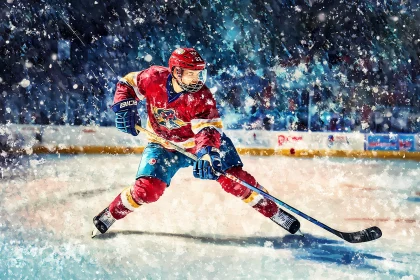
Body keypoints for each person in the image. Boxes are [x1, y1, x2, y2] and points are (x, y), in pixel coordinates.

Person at [92, 48, 300, 237]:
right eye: (190, 74)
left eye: (199, 74)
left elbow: (207, 129)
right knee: (146, 190)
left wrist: (208, 153)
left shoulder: (202, 96)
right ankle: (111, 213)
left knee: (235, 180)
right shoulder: (153, 77)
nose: (196, 79)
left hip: (197, 145)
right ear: (175, 72)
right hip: (163, 145)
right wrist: (125, 106)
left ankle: (273, 211)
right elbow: (127, 83)